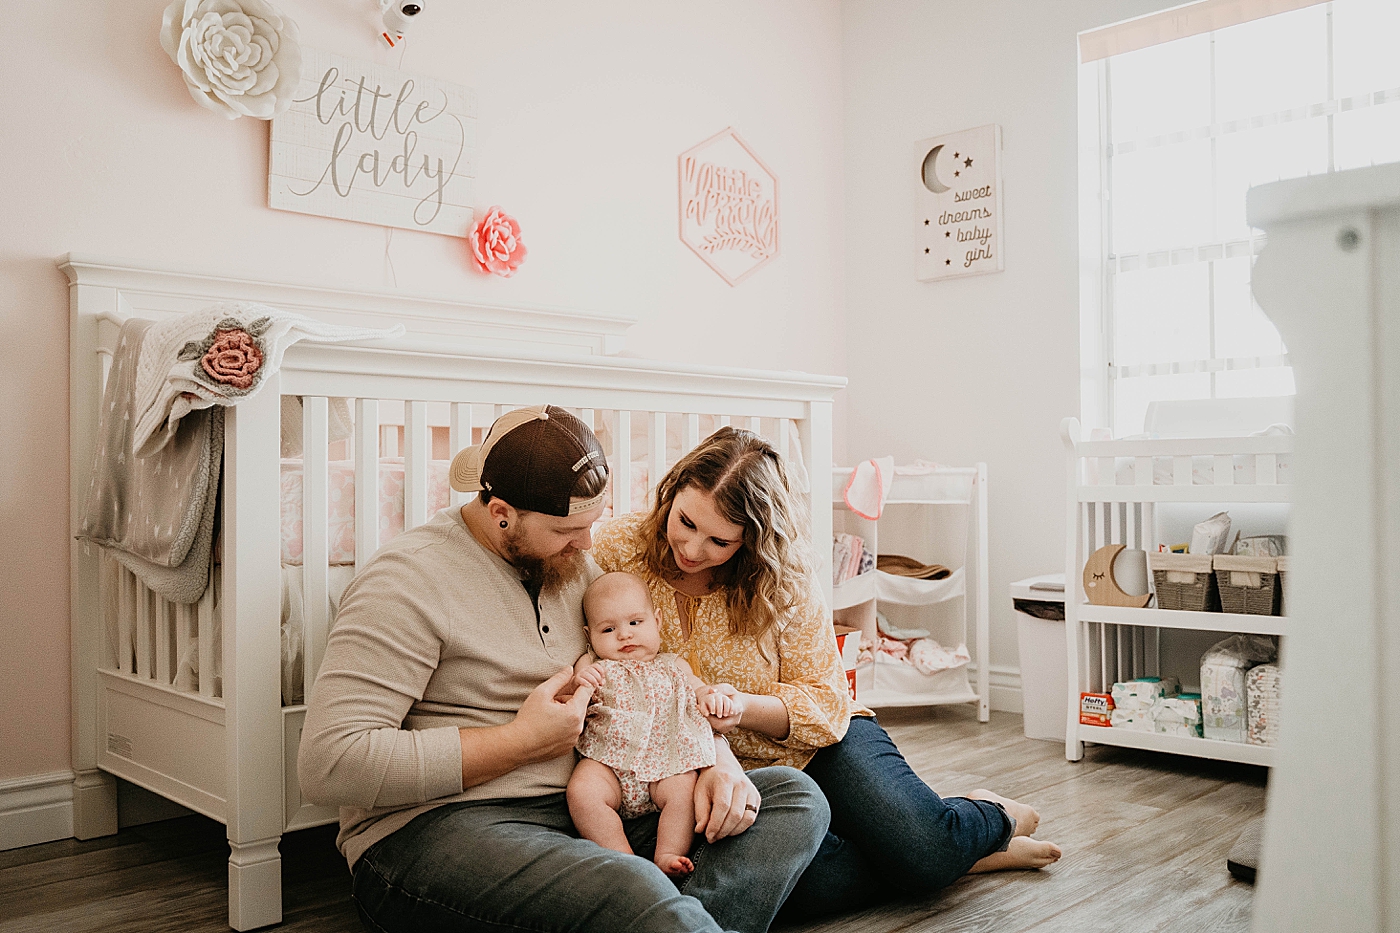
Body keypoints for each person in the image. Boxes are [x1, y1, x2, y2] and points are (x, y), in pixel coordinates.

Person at [298, 406, 829, 933]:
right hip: (442, 829)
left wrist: (714, 759)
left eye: (591, 525)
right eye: (568, 530)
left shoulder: (573, 567)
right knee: (633, 889)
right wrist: (518, 742)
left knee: (789, 796)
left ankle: (672, 920)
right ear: (502, 511)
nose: (588, 545)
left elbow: (650, 678)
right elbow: (329, 763)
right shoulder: (405, 582)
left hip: (591, 813)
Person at [590, 426, 1062, 923]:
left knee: (922, 848)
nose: (691, 548)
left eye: (719, 540)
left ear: (751, 540)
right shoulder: (620, 548)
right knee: (794, 886)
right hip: (720, 768)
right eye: (685, 521)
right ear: (673, 489)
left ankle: (985, 819)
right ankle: (952, 858)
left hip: (821, 743)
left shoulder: (782, 577)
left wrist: (741, 708)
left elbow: (827, 702)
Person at [568, 571, 736, 877]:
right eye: (608, 629)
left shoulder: (673, 665)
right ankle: (622, 858)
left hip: (666, 762)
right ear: (589, 633)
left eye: (635, 623)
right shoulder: (594, 665)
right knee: (581, 791)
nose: (625, 635)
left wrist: (711, 698)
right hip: (608, 762)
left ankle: (669, 852)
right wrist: (581, 680)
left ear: (657, 621)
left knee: (685, 789)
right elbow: (573, 693)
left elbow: (699, 691)